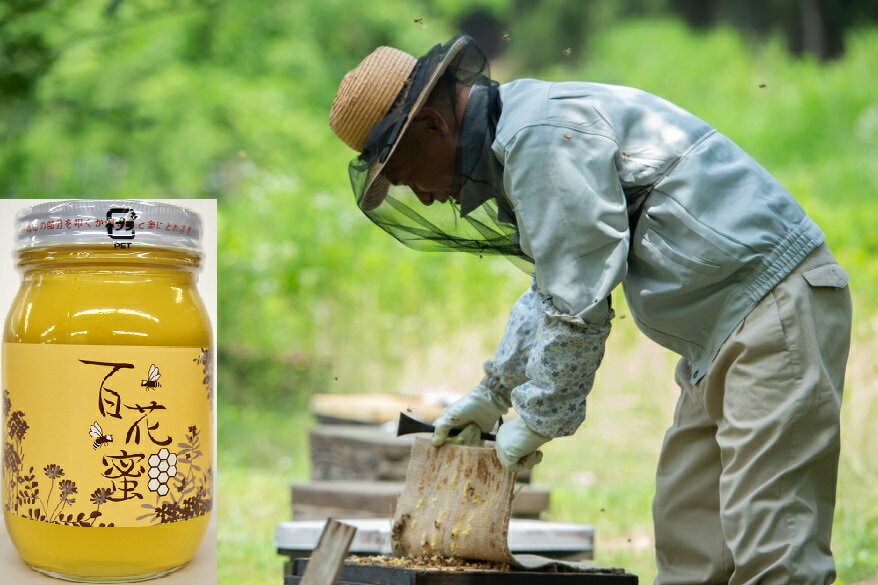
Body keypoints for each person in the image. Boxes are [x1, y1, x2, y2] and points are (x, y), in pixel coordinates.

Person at [328, 34, 852, 585]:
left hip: (773, 309)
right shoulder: (523, 134)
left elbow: (579, 303)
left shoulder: (540, 139)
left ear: (435, 126)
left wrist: (536, 418)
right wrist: (493, 392)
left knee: (774, 549)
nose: (426, 199)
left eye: (410, 177)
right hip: (723, 330)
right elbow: (555, 284)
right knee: (691, 538)